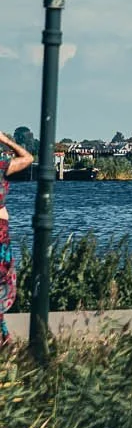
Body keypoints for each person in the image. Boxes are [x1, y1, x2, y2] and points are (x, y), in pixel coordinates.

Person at [0, 130, 32, 340]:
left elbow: (28, 159)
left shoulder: (2, 165)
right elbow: (27, 158)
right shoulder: (2, 165)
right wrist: (5, 140)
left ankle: (4, 335)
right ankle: (4, 335)